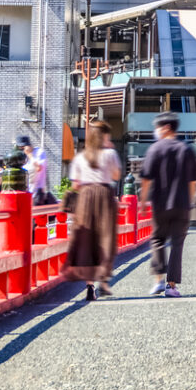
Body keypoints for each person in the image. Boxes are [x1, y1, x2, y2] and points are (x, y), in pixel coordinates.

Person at [138, 114, 196, 297]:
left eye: (157, 127)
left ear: (165, 128)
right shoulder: (186, 150)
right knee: (177, 243)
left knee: (157, 239)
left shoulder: (155, 149)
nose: (156, 131)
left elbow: (146, 179)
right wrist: (190, 201)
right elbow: (193, 181)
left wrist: (143, 201)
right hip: (182, 204)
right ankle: (171, 286)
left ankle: (158, 281)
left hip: (160, 204)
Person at [63, 124, 119, 299]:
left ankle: (90, 286)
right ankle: (104, 283)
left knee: (88, 240)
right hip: (104, 195)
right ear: (103, 138)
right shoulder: (110, 154)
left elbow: (75, 184)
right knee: (105, 238)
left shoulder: (80, 157)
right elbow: (116, 176)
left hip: (86, 198)